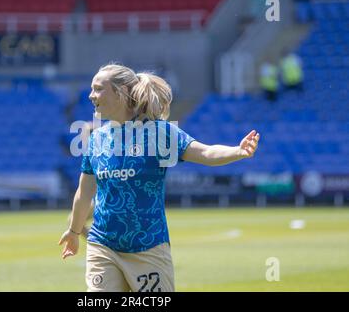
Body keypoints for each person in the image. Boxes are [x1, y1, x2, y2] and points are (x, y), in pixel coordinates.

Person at [58, 64, 260, 292]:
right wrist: (74, 232)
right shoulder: (97, 140)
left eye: (98, 89)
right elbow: (84, 193)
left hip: (148, 247)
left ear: (120, 92)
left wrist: (238, 151)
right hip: (103, 245)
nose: (91, 95)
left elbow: (204, 152)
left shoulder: (158, 132)